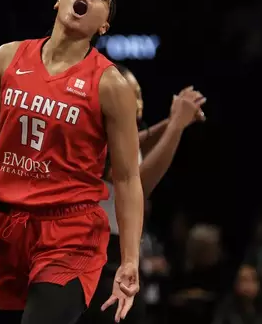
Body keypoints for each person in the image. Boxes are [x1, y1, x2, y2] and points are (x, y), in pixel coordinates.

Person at [0, 0, 203, 324]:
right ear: (59, 0)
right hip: (4, 226)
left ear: (104, 25)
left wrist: (130, 260)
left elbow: (129, 179)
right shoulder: (7, 58)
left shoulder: (111, 85)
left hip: (69, 232)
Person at [81, 64, 206, 324]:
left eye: (139, 94)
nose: (138, 101)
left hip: (114, 257)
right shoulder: (96, 138)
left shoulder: (123, 136)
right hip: (98, 262)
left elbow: (139, 140)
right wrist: (176, 127)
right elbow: (141, 185)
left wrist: (171, 121)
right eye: (130, 94)